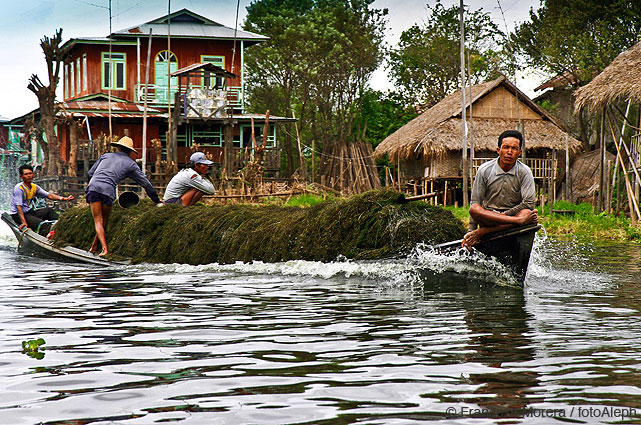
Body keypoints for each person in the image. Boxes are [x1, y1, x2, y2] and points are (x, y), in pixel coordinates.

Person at [86, 136, 161, 256]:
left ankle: (96, 247)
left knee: (98, 222)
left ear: (119, 147)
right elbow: (146, 183)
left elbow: (90, 173)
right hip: (108, 190)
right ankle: (103, 249)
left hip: (93, 188)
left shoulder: (106, 156)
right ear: (130, 151)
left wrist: (91, 185)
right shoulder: (131, 165)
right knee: (103, 221)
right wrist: (156, 200)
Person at [462, 129, 538, 248]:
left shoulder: (524, 172)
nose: (509, 152)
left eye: (514, 148)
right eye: (506, 147)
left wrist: (505, 215)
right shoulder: (484, 170)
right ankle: (497, 227)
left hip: (513, 218)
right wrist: (471, 232)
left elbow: (528, 204)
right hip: (491, 218)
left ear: (520, 153)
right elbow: (475, 203)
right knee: (474, 209)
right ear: (498, 150)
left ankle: (486, 231)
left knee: (527, 213)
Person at [10, 164, 75, 235]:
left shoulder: (34, 187)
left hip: (29, 212)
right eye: (26, 174)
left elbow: (49, 195)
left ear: (33, 174)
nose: (29, 176)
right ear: (21, 177)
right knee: (42, 224)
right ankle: (47, 236)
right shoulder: (19, 188)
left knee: (48, 211)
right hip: (18, 215)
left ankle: (62, 225)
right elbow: (18, 206)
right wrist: (24, 222)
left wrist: (64, 198)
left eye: (30, 173)